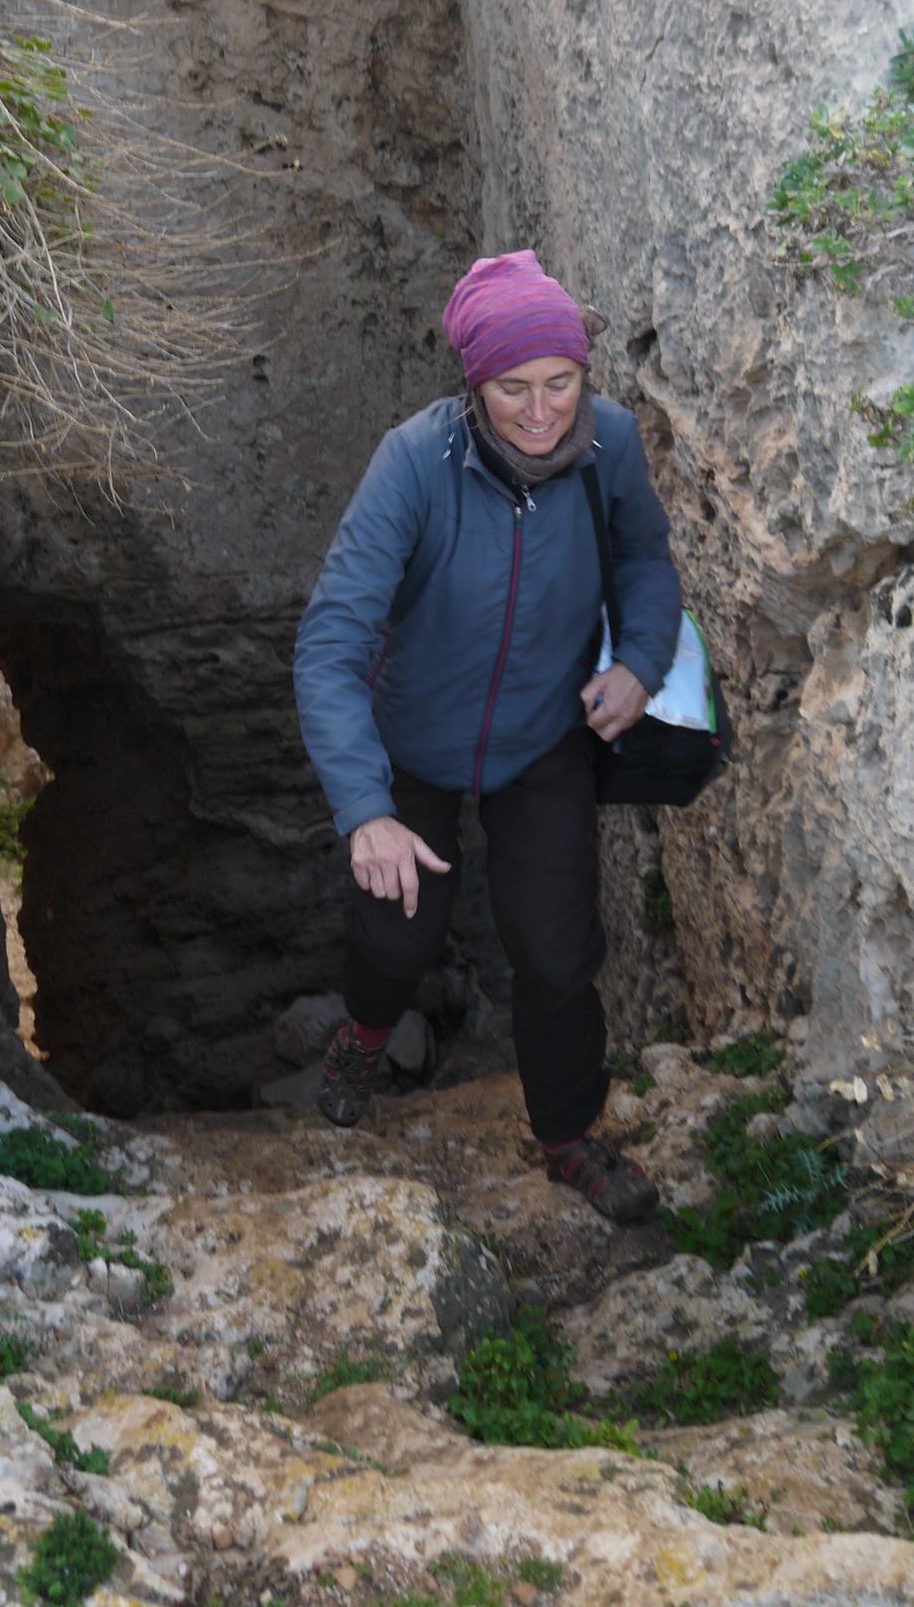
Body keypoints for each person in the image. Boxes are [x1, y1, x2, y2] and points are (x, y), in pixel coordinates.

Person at [292, 250, 682, 1224]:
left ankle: (568, 1136)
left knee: (555, 951)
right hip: (413, 738)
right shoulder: (414, 464)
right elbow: (332, 643)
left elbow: (644, 557)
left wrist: (641, 659)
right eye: (514, 389)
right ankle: (366, 1036)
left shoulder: (611, 445)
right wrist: (367, 811)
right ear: (474, 385)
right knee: (399, 932)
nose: (542, 410)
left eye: (561, 382)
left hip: (544, 736)